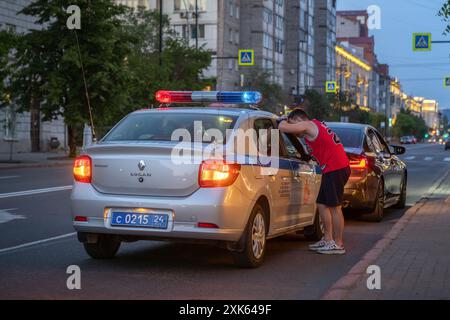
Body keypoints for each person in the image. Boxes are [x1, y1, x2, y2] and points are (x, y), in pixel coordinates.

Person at [278, 105, 350, 255]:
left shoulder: (308, 124)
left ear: (298, 120)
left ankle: (338, 244)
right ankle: (327, 239)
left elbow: (283, 127)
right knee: (322, 204)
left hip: (335, 168)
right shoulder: (315, 126)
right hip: (332, 168)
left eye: (294, 123)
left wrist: (283, 120)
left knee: (335, 207)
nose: (295, 130)